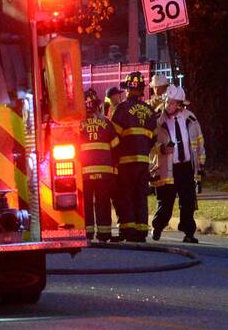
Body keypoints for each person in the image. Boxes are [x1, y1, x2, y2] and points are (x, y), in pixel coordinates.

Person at [151, 85, 205, 244]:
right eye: (168, 102)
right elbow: (148, 143)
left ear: (181, 104)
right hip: (167, 168)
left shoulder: (191, 118)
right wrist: (161, 148)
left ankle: (188, 233)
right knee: (166, 203)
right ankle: (158, 226)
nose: (169, 106)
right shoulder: (157, 120)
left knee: (188, 202)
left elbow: (200, 142)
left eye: (173, 103)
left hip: (186, 167)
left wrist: (201, 165)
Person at [109, 71, 157, 242]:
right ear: (142, 90)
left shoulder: (121, 109)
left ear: (128, 89)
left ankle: (128, 231)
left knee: (126, 195)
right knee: (140, 196)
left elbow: (113, 137)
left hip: (125, 162)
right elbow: (154, 138)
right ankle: (142, 231)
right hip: (143, 162)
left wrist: (114, 158)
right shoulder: (150, 111)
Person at [80, 89, 119, 242]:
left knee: (86, 203)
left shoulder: (78, 125)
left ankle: (87, 234)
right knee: (103, 202)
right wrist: (115, 170)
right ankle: (104, 234)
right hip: (105, 171)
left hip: (84, 172)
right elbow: (116, 147)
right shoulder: (107, 122)